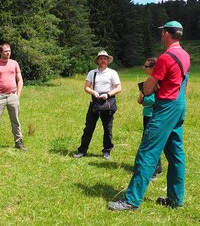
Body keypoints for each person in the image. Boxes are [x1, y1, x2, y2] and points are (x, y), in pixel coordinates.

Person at [108, 21, 190, 211]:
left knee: (147, 152)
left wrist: (148, 85)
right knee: (176, 154)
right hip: (179, 105)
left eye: (163, 33)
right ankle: (175, 200)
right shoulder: (185, 55)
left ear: (167, 35)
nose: (161, 36)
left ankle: (131, 201)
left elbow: (147, 88)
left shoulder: (166, 57)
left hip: (166, 107)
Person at [73, 50, 122, 160]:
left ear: (108, 60)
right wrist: (93, 92)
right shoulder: (92, 73)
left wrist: (108, 94)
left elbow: (118, 88)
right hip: (94, 103)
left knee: (108, 129)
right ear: (97, 60)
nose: (103, 60)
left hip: (107, 103)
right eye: (101, 58)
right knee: (88, 128)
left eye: (105, 58)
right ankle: (82, 150)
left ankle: (107, 151)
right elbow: (86, 87)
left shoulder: (112, 73)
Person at [0, 42, 26, 151]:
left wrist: (18, 95)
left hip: (13, 95)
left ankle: (19, 142)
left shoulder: (14, 63)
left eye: (9, 51)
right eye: (6, 51)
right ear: (1, 52)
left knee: (15, 119)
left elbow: (20, 79)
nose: (8, 53)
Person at [137, 57, 162, 180]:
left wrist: (142, 100)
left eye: (146, 66)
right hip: (149, 114)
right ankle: (158, 168)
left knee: (149, 142)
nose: (144, 68)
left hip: (151, 115)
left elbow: (153, 100)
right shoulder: (153, 79)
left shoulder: (154, 80)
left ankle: (151, 172)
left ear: (152, 68)